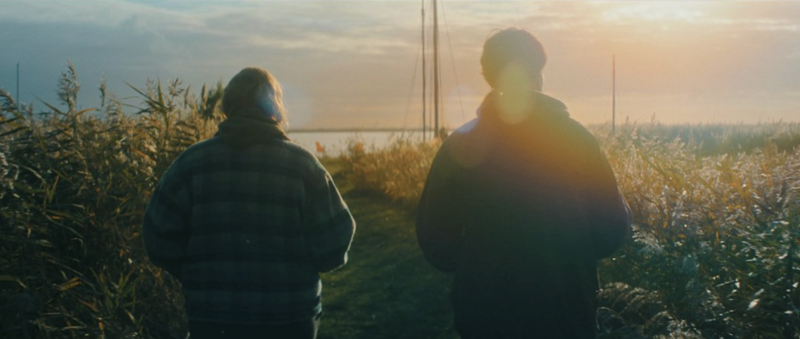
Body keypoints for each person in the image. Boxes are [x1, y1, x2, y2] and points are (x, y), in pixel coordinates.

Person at [416, 28, 632, 338]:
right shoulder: (579, 141)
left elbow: (436, 245)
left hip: (484, 317)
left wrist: (479, 259)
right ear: (538, 74)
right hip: (566, 316)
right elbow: (611, 233)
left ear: (489, 76)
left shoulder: (459, 146)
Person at [143, 67, 356, 339]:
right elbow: (335, 243)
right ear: (275, 108)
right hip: (289, 320)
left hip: (212, 320)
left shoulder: (190, 164)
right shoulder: (302, 165)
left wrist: (195, 272)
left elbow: (157, 238)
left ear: (227, 107)